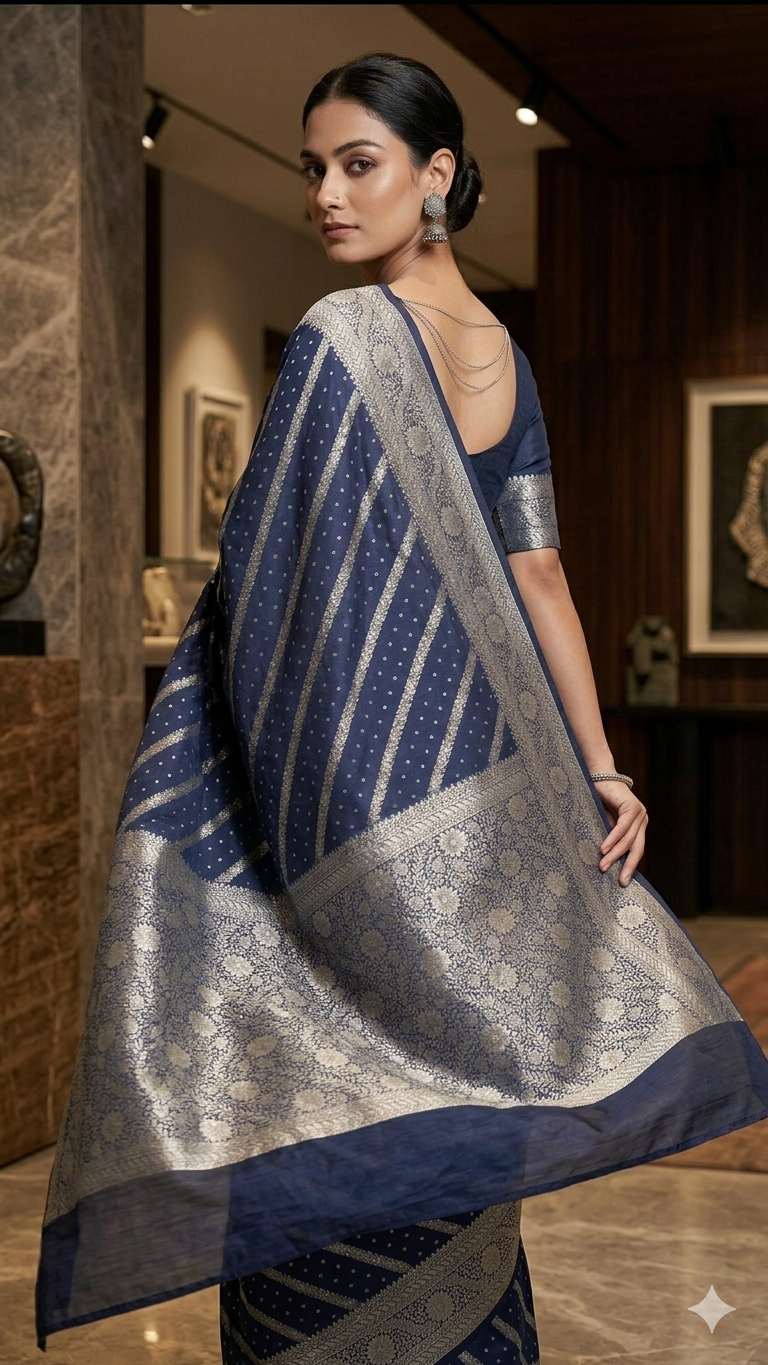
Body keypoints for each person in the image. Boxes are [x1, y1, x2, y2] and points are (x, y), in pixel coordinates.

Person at [37, 53, 768, 1364]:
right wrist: (604, 767)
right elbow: (542, 579)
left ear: (436, 175)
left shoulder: (340, 337)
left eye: (357, 163)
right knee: (456, 1096)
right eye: (313, 167)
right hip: (481, 810)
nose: (326, 193)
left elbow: (268, 591)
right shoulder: (507, 361)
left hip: (344, 800)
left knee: (323, 1094)